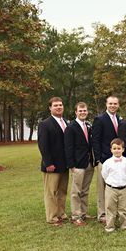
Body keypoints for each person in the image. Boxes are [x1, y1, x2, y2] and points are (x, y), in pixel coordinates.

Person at [38, 97, 69, 227]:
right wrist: (48, 163)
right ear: (50, 108)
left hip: (64, 164)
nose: (58, 107)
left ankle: (61, 213)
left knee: (62, 191)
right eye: (55, 105)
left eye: (60, 105)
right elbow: (43, 145)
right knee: (51, 192)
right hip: (52, 165)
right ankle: (52, 217)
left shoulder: (66, 122)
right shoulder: (45, 124)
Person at [64, 102, 95, 226]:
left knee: (85, 190)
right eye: (80, 111)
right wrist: (71, 165)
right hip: (77, 164)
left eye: (85, 110)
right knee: (76, 191)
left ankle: (83, 213)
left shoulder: (87, 125)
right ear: (76, 112)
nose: (83, 112)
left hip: (89, 163)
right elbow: (68, 147)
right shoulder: (71, 127)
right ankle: (76, 216)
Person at [93, 96, 121, 223]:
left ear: (118, 105)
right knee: (103, 187)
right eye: (110, 103)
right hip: (104, 159)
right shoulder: (99, 119)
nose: (113, 106)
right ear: (106, 104)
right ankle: (102, 214)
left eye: (115, 103)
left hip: (117, 160)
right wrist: (98, 158)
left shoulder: (119, 119)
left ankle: (114, 212)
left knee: (115, 186)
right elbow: (96, 140)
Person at [101, 138, 126, 232]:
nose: (117, 150)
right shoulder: (107, 162)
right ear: (111, 150)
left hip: (124, 188)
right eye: (114, 148)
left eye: (119, 148)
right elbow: (104, 174)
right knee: (110, 207)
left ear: (123, 149)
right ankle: (110, 226)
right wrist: (110, 183)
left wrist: (124, 181)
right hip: (111, 188)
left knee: (123, 208)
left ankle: (124, 224)